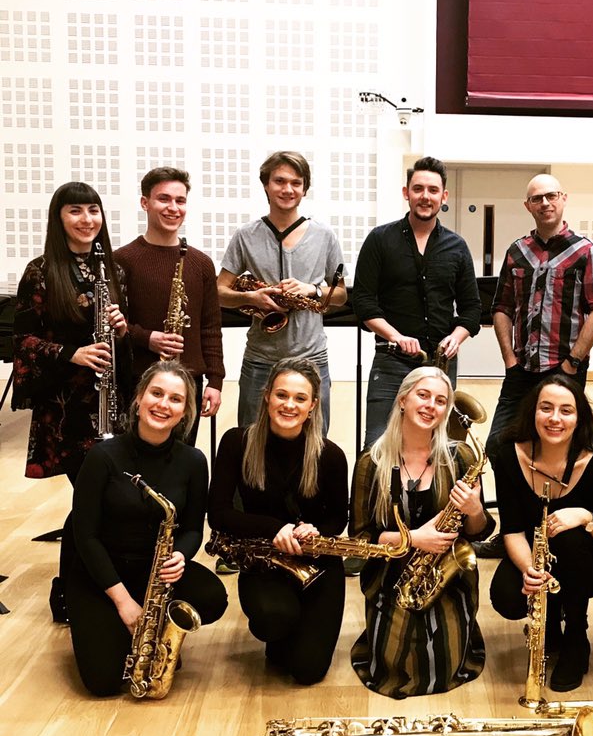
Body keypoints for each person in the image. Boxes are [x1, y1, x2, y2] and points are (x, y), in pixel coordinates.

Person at [66, 361, 227, 696]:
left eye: (175, 399)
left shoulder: (193, 462)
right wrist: (124, 602)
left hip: (151, 570)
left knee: (212, 597)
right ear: (138, 399)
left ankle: (153, 634)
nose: (163, 404)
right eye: (156, 393)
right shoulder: (102, 457)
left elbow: (194, 529)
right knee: (104, 682)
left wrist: (181, 555)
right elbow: (85, 536)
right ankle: (110, 628)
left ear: (185, 412)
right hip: (99, 573)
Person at [13, 181, 132, 620]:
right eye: (75, 211)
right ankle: (67, 590)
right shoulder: (41, 271)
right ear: (58, 217)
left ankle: (86, 584)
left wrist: (120, 328)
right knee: (91, 500)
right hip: (66, 412)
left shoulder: (112, 271)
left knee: (100, 500)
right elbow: (22, 341)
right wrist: (71, 353)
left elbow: (122, 344)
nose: (87, 220)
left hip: (107, 406)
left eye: (93, 210)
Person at [349, 366, 493, 698]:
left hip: (448, 580)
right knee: (395, 666)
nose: (431, 406)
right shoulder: (371, 463)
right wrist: (412, 539)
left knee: (442, 662)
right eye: (423, 395)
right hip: (390, 577)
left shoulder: (461, 457)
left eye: (441, 401)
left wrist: (473, 509)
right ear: (402, 399)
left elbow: (478, 532)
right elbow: (359, 541)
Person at [208, 357, 349, 685]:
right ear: (267, 396)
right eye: (281, 395)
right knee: (274, 621)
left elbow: (337, 518)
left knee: (307, 671)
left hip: (317, 564)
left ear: (313, 406)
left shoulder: (330, 455)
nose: (289, 405)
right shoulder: (236, 442)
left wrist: (316, 531)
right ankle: (280, 629)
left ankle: (294, 633)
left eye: (300, 398)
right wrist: (275, 530)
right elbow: (219, 513)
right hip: (263, 560)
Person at [489, 374, 593, 693]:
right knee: (508, 597)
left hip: (591, 563)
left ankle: (577, 636)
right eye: (546, 408)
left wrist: (586, 517)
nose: (554, 418)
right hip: (535, 553)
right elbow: (511, 531)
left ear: (579, 418)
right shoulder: (508, 455)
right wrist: (530, 571)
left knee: (567, 533)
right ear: (532, 412)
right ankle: (550, 625)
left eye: (566, 410)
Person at [352, 156, 481, 448]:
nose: (426, 196)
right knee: (376, 446)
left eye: (433, 190)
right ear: (406, 192)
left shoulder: (457, 247)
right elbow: (363, 301)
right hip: (391, 361)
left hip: (441, 365)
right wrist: (396, 336)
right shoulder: (380, 239)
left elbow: (472, 309)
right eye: (418, 188)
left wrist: (456, 337)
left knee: (435, 449)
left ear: (443, 196)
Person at [216, 150, 345, 432]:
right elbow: (219, 291)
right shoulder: (245, 235)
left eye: (296, 183)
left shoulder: (324, 236)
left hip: (312, 357)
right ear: (266, 184)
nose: (288, 189)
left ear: (305, 189)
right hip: (260, 358)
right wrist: (251, 298)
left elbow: (341, 295)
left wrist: (312, 290)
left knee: (315, 443)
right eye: (279, 181)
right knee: (249, 441)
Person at [486, 173, 593, 459]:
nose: (545, 203)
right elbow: (501, 308)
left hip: (564, 369)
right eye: (537, 198)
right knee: (498, 445)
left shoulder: (586, 252)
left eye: (551, 196)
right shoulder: (517, 251)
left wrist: (573, 362)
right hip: (522, 370)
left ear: (563, 199)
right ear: (527, 205)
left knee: (561, 450)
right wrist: (509, 359)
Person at [115, 166, 224, 445]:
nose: (173, 207)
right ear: (145, 203)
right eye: (163, 199)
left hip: (188, 381)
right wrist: (147, 338)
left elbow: (211, 327)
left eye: (180, 200)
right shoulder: (122, 260)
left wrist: (215, 381)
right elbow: (111, 322)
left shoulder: (201, 264)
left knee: (181, 462)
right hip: (139, 381)